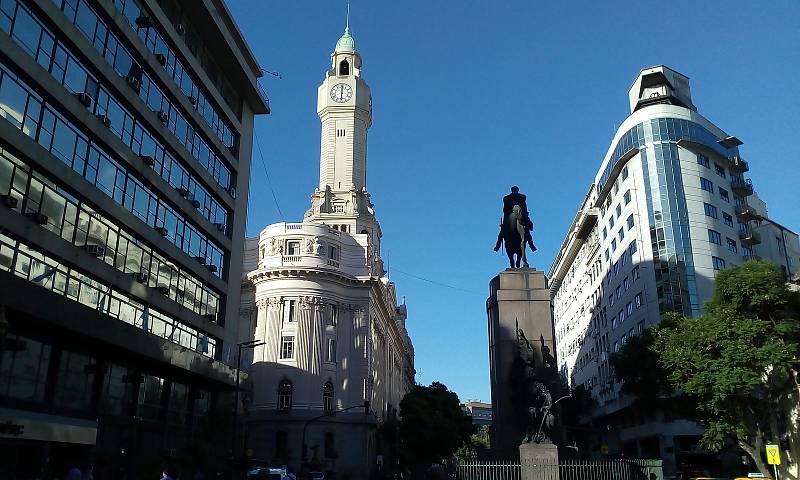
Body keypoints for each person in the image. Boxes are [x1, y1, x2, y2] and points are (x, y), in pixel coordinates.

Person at [494, 186, 536, 254]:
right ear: (512, 191)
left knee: (527, 228)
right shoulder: (506, 198)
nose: (515, 192)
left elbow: (524, 207)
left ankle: (531, 244)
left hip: (520, 213)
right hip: (510, 214)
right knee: (503, 230)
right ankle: (497, 245)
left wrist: (525, 214)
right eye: (514, 190)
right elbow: (505, 209)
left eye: (516, 190)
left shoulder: (522, 197)